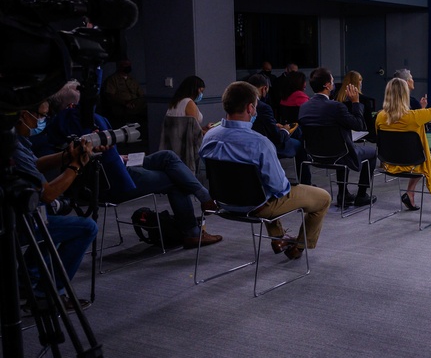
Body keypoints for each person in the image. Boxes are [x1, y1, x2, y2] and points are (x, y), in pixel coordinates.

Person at [47, 81, 223, 250]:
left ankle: (204, 197)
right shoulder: (92, 122)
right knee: (176, 179)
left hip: (100, 176)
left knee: (167, 156)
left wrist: (118, 156)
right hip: (116, 182)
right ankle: (193, 230)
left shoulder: (55, 126)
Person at [200, 81, 331, 260]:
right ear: (250, 108)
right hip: (256, 205)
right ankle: (299, 247)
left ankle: (278, 239)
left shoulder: (209, 136)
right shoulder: (260, 143)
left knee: (262, 185)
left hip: (223, 202)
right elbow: (279, 188)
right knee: (322, 198)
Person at [13, 101, 98, 309]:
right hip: (17, 222)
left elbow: (34, 164)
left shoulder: (14, 138)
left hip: (22, 215)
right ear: (24, 114)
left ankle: (27, 281)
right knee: (87, 228)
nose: (43, 121)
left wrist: (68, 155)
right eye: (40, 116)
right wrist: (76, 165)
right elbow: (48, 195)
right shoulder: (11, 146)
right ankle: (46, 295)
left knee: (50, 222)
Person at [376, 61, 431, 215]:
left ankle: (410, 194)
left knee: (420, 157)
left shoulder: (380, 117)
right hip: (414, 162)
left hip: (389, 163)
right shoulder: (414, 117)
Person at [299, 67, 377, 208]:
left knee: (340, 146)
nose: (334, 85)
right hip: (339, 155)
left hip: (314, 156)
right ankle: (361, 194)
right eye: (333, 82)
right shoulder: (336, 107)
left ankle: (343, 194)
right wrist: (355, 102)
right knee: (372, 152)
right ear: (327, 85)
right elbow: (359, 125)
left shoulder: (304, 107)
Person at [246, 74, 310, 186]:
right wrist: (285, 130)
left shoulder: (242, 105)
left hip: (251, 143)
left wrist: (275, 125)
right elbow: (278, 138)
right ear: (264, 88)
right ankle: (305, 183)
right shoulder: (264, 107)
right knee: (300, 144)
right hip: (269, 145)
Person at [394, 67, 431, 173]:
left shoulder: (383, 115)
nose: (413, 80)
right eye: (411, 78)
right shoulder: (412, 103)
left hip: (393, 153)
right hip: (417, 146)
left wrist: (422, 108)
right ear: (407, 82)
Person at [336, 70, 378, 137]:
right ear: (358, 83)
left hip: (342, 135)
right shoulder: (364, 100)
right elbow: (369, 122)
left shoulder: (336, 99)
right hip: (362, 135)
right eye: (360, 80)